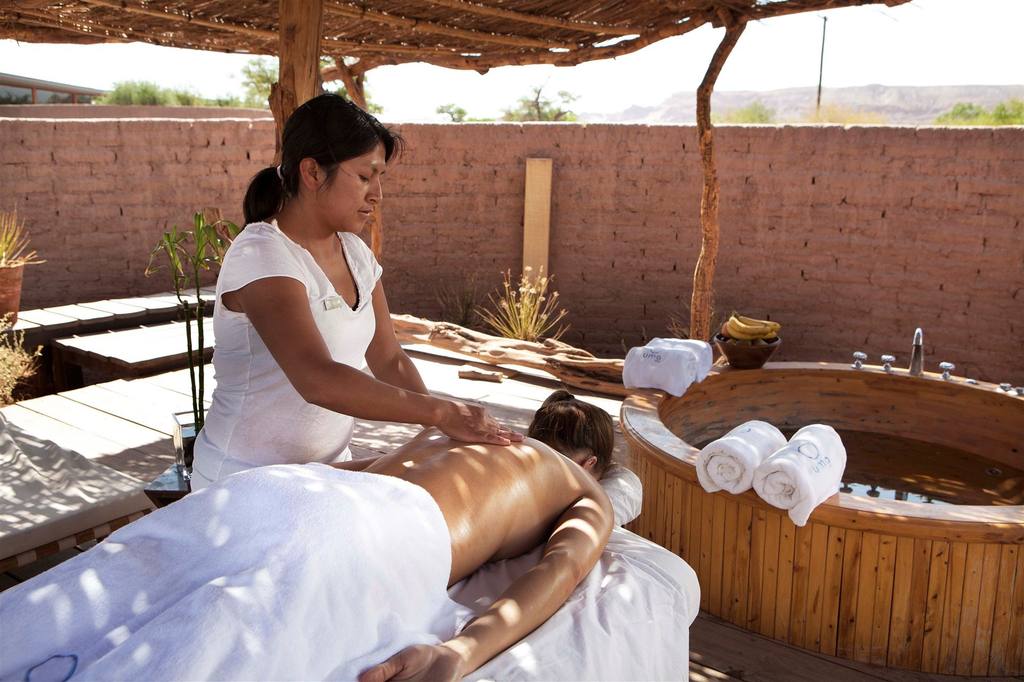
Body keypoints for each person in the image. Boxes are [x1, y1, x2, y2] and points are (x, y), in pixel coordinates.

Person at [0, 391, 615, 681]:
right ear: (590, 461)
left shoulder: (460, 429)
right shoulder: (580, 486)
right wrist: (459, 654)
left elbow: (345, 471)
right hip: (371, 529)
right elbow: (558, 572)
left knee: (84, 599)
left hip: (279, 490)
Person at [192, 93, 520, 490]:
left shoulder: (355, 252)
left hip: (329, 473)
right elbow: (316, 378)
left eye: (380, 178)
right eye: (365, 177)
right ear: (312, 172)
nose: (377, 194)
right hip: (244, 480)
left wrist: (439, 430)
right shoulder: (262, 254)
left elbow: (389, 358)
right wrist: (440, 412)